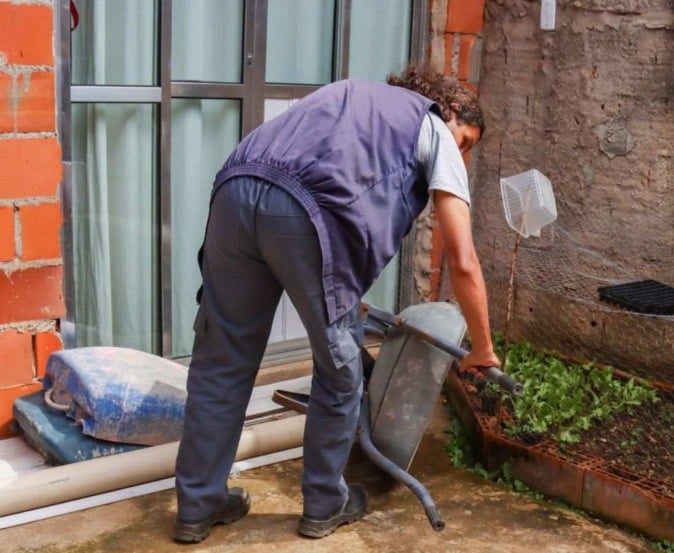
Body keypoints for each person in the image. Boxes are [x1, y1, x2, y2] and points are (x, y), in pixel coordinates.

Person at [172, 65, 501, 543]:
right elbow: (463, 261)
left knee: (222, 361)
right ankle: (326, 502)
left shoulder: (348, 95)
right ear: (448, 111)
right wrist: (484, 347)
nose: (462, 156)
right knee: (339, 368)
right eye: (466, 142)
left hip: (235, 193)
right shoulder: (432, 127)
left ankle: (197, 506)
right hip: (305, 211)